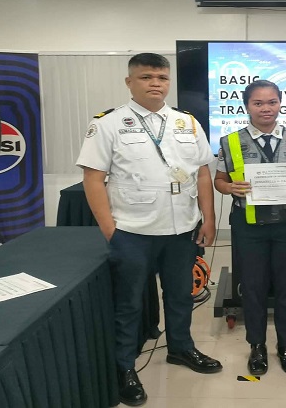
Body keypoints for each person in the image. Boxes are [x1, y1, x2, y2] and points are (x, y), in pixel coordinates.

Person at [76, 53, 222, 407]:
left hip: (181, 229)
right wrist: (111, 230)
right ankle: (125, 367)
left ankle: (181, 348)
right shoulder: (109, 123)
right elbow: (93, 179)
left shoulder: (187, 122)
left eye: (162, 77)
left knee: (180, 295)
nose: (155, 83)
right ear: (130, 82)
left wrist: (209, 218)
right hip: (133, 231)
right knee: (129, 303)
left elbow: (202, 173)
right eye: (146, 77)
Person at [214, 79, 286, 376]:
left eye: (272, 102)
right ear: (247, 106)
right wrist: (229, 188)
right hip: (250, 227)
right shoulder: (230, 141)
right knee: (253, 288)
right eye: (258, 103)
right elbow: (219, 180)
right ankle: (256, 346)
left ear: (280, 104)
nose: (266, 108)